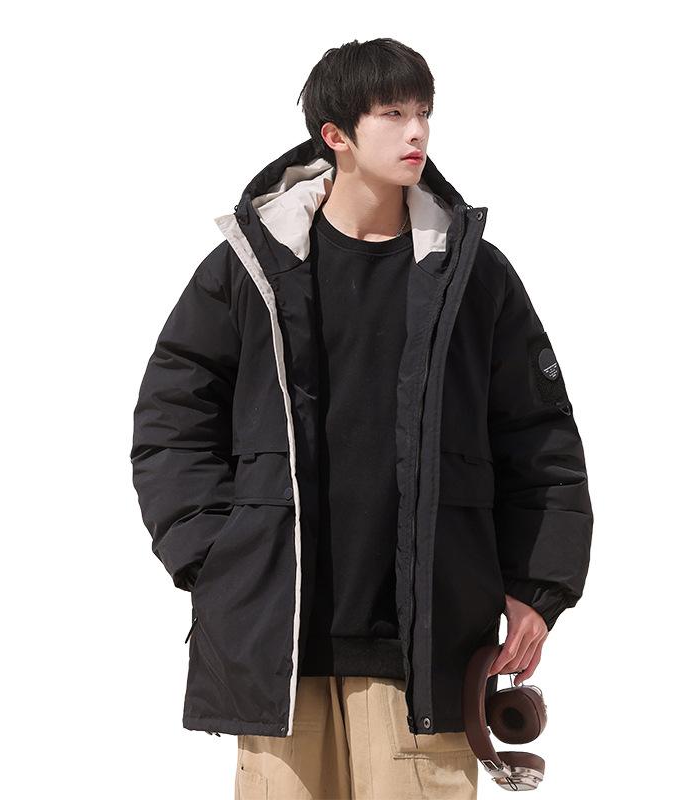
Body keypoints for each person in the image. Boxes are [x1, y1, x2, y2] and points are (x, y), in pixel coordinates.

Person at [130, 37, 593, 800]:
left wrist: (537, 587)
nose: (417, 132)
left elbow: (539, 436)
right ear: (335, 135)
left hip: (425, 644)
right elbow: (171, 420)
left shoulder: (472, 274)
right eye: (392, 114)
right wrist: (215, 561)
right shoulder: (251, 265)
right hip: (279, 640)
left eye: (423, 113)